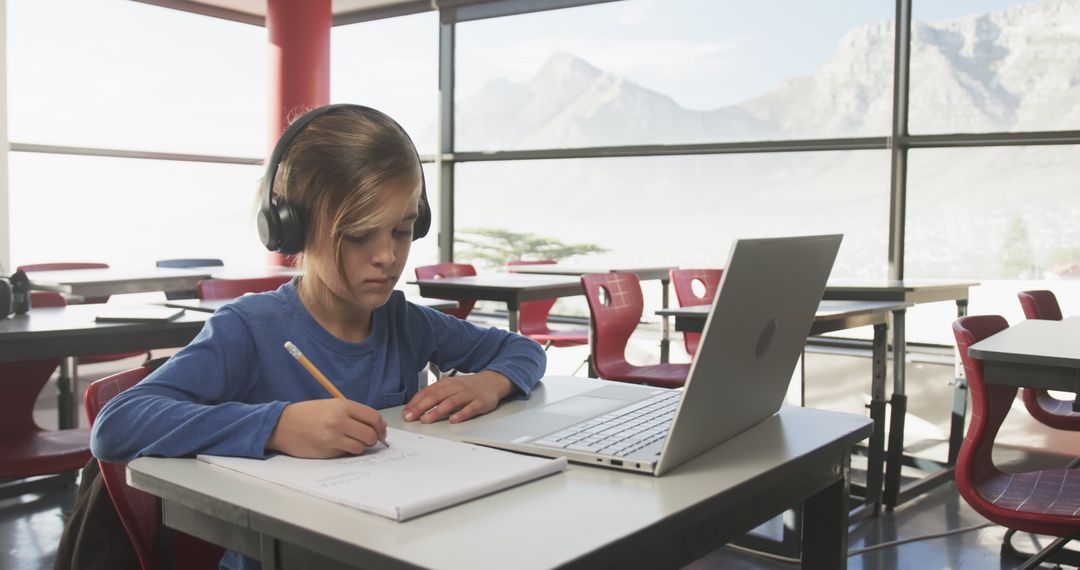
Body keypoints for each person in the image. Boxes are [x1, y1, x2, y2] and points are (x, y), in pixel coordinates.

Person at [91, 105, 546, 570]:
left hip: (388, 546)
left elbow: (522, 349)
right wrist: (277, 427)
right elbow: (117, 424)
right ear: (293, 228)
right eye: (358, 235)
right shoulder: (249, 327)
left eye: (403, 230)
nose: (387, 256)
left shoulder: (402, 320)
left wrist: (490, 383)